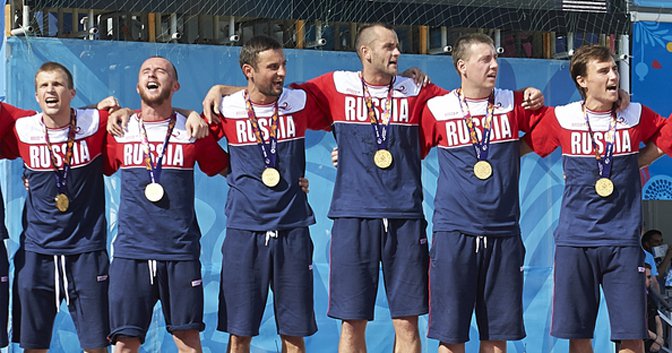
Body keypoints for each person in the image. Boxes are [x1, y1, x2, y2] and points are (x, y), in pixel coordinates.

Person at [523, 44, 671, 353]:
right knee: (579, 335)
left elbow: (666, 134)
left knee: (632, 334)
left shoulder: (635, 113)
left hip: (623, 242)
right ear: (582, 80)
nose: (613, 75)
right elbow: (525, 144)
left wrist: (639, 161)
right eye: (603, 70)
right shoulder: (561, 117)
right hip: (576, 241)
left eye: (615, 68)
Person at [420, 33, 544, 353]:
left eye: (495, 58)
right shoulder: (437, 108)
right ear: (462, 66)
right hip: (454, 232)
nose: (494, 65)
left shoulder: (513, 102)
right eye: (485, 59)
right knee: (451, 335)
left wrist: (513, 151)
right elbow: (403, 151)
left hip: (503, 232)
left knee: (496, 336)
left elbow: (550, 129)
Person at [207, 35, 330, 353]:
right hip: (245, 231)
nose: (282, 73)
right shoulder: (228, 109)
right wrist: (234, 174)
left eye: (284, 65)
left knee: (294, 333)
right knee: (239, 334)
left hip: (292, 228)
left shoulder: (298, 101)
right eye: (272, 67)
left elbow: (348, 115)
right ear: (249, 70)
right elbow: (199, 141)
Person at [104, 56, 230, 353]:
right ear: (137, 87)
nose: (152, 74)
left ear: (175, 85)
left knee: (187, 342)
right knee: (124, 344)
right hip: (131, 252)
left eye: (161, 71)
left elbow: (231, 169)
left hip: (179, 252)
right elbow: (81, 157)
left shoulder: (193, 130)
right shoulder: (119, 129)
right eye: (146, 71)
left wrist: (292, 181)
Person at [2, 62, 113, 353]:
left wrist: (119, 111)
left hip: (86, 251)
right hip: (37, 253)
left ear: (72, 92)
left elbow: (150, 115)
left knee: (96, 346)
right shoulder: (22, 127)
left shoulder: (96, 122)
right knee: (33, 347)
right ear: (36, 97)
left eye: (58, 84)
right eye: (44, 86)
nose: (51, 90)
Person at [644, 264, 665, 353]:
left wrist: (659, 339)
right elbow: (637, 326)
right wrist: (656, 338)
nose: (651, 280)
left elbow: (658, 321)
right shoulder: (634, 300)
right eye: (648, 277)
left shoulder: (649, 296)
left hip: (654, 344)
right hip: (642, 344)